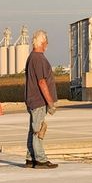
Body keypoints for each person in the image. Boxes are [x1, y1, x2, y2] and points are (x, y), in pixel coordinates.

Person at [23, 30, 57, 167]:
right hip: (38, 101)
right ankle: (40, 159)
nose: (47, 45)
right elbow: (42, 82)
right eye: (46, 42)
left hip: (32, 99)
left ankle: (30, 158)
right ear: (43, 43)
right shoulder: (39, 58)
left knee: (33, 129)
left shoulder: (32, 57)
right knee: (38, 130)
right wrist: (50, 102)